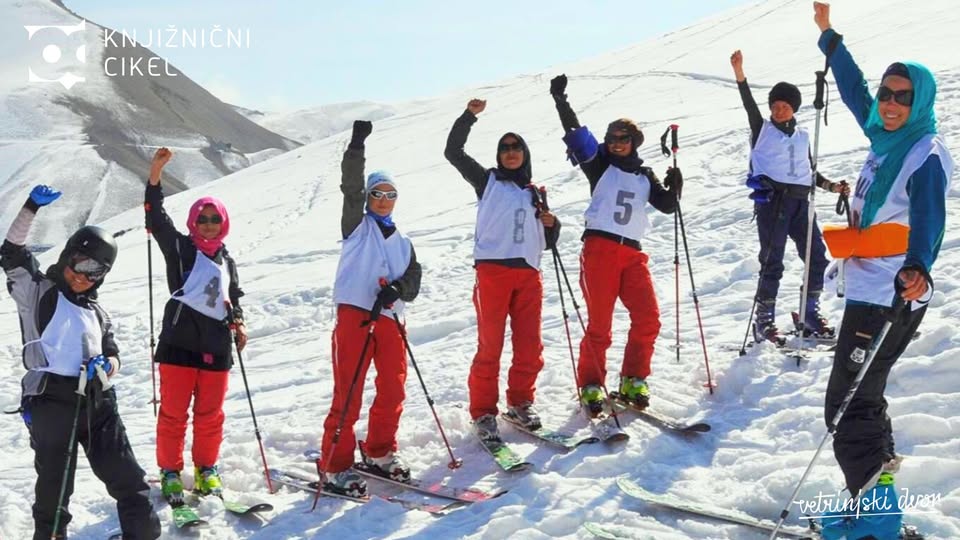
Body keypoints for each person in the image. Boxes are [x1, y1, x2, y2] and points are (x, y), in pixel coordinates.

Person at [813, 3, 953, 539]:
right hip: (871, 289)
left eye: (902, 97)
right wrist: (829, 39)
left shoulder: (924, 151)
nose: (890, 104)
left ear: (920, 102)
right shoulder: (886, 137)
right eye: (887, 95)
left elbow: (929, 216)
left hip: (892, 292)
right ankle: (880, 512)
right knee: (861, 399)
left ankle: (877, 523)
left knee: (844, 407)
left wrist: (919, 265)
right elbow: (853, 90)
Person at [1, 185, 161, 539]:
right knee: (55, 490)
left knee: (130, 481)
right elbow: (11, 253)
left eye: (96, 272)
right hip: (52, 401)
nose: (84, 276)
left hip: (98, 401)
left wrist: (108, 366)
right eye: (81, 264)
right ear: (69, 256)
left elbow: (113, 351)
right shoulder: (38, 292)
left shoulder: (98, 312)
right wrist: (30, 208)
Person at [549, 74, 682, 415]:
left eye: (623, 139)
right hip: (601, 249)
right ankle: (591, 384)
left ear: (635, 142)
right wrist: (561, 101)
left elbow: (667, 205)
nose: (616, 143)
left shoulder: (643, 174)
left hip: (633, 253)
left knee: (648, 317)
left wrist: (676, 185)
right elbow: (577, 134)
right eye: (612, 138)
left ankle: (633, 378)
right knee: (600, 325)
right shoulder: (599, 165)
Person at [444, 98, 560, 442]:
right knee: (490, 346)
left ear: (525, 154)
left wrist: (554, 225)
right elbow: (453, 152)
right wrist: (468, 117)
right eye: (505, 148)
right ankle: (483, 412)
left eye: (516, 148)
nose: (510, 153)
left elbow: (546, 241)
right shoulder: (488, 181)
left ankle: (521, 402)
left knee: (529, 345)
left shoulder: (534, 193)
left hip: (528, 274)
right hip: (493, 272)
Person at [319, 120, 422, 497]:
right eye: (377, 193)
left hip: (392, 319)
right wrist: (357, 146)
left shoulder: (404, 239)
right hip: (355, 315)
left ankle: (379, 450)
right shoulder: (356, 225)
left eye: (389, 194)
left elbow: (414, 277)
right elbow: (349, 186)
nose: (382, 200)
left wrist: (398, 288)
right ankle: (335, 464)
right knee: (349, 391)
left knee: (393, 388)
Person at [146, 147, 247, 504]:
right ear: (193, 221)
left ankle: (207, 469)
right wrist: (155, 174)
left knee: (210, 416)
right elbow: (156, 218)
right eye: (202, 218)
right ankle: (170, 472)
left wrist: (238, 323)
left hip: (217, 346)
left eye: (213, 219)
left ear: (223, 223)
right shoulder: (180, 248)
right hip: (179, 344)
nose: (207, 224)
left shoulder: (227, 259)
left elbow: (233, 296)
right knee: (173, 414)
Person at [730, 49, 850, 345]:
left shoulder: (803, 137)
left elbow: (809, 172)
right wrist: (740, 74)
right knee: (773, 262)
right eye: (775, 105)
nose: (779, 109)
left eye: (785, 105)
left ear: (794, 108)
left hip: (801, 203)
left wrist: (831, 187)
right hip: (774, 202)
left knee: (817, 258)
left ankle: (808, 313)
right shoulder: (762, 129)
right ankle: (764, 320)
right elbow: (748, 106)